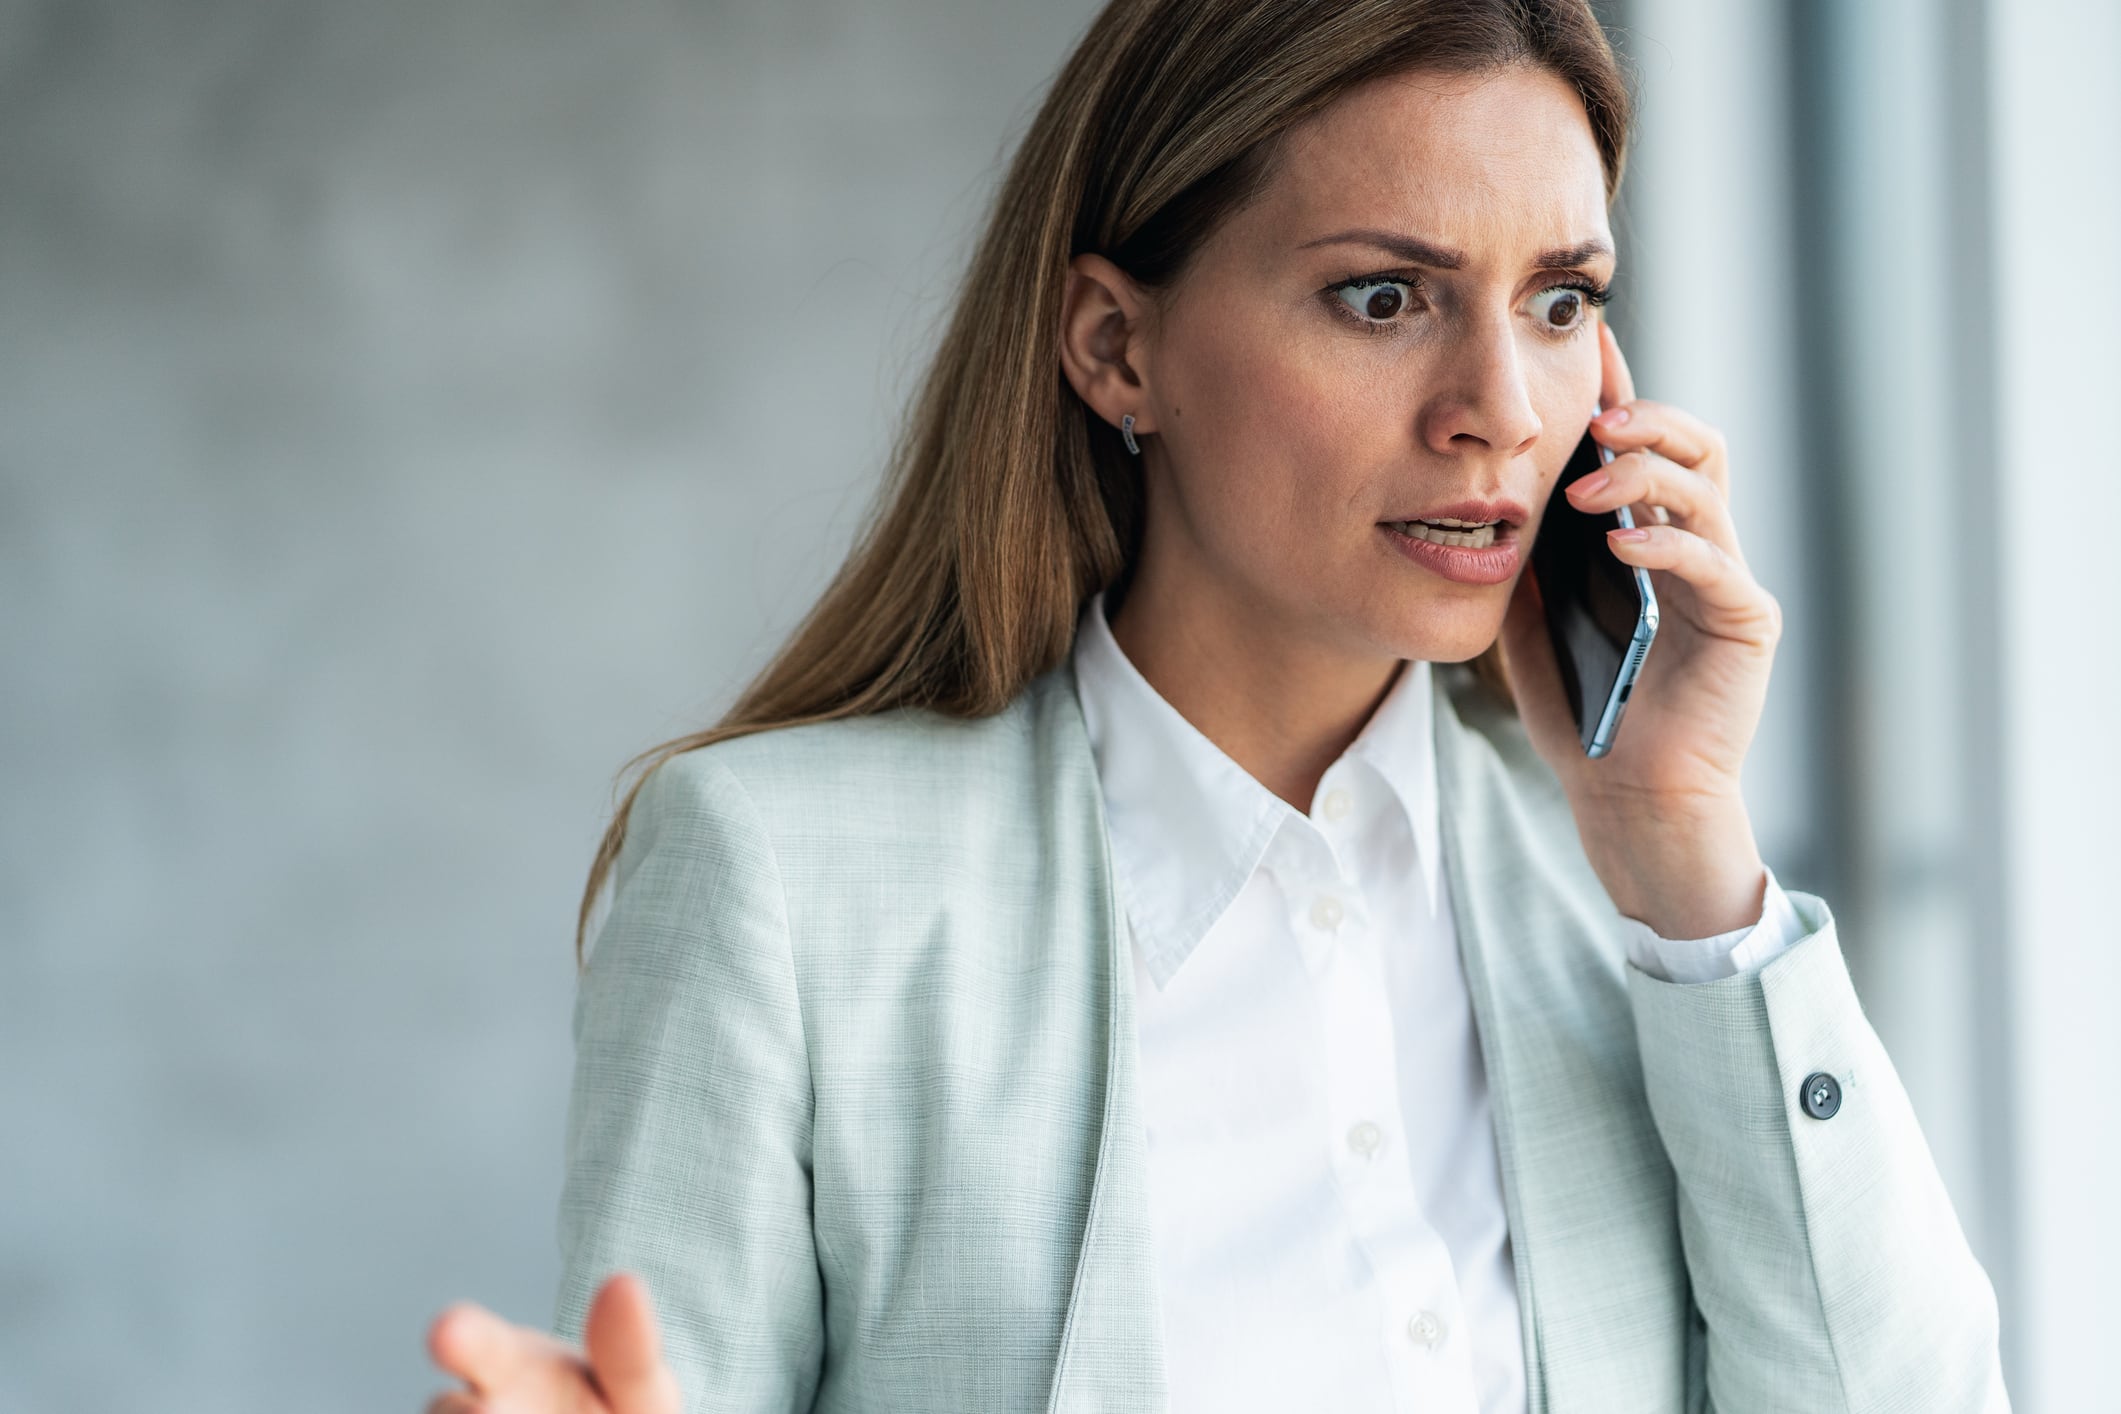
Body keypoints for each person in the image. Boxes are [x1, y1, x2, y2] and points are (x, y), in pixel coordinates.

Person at [419, 1, 2008, 1410]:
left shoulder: (1640, 918)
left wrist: (1682, 853)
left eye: (1557, 300)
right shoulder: (785, 882)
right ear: (1118, 346)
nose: (1500, 415)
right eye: (1385, 298)